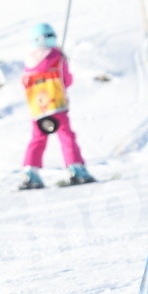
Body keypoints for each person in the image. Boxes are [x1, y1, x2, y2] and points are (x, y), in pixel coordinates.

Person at [18, 22, 95, 190]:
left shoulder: (28, 61)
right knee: (66, 136)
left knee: (38, 139)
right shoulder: (57, 56)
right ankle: (76, 169)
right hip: (56, 105)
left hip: (38, 109)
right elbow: (66, 79)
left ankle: (30, 172)